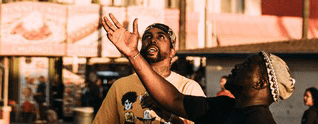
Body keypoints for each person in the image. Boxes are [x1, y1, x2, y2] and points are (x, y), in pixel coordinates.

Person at [102, 14, 295, 124]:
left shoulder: (259, 122)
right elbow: (174, 99)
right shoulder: (223, 107)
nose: (237, 67)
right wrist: (133, 54)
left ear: (260, 82)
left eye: (246, 66)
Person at [92, 22, 205, 124]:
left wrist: (169, 116)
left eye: (160, 37)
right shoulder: (120, 86)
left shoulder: (189, 88)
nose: (152, 40)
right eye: (147, 37)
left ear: (172, 51)